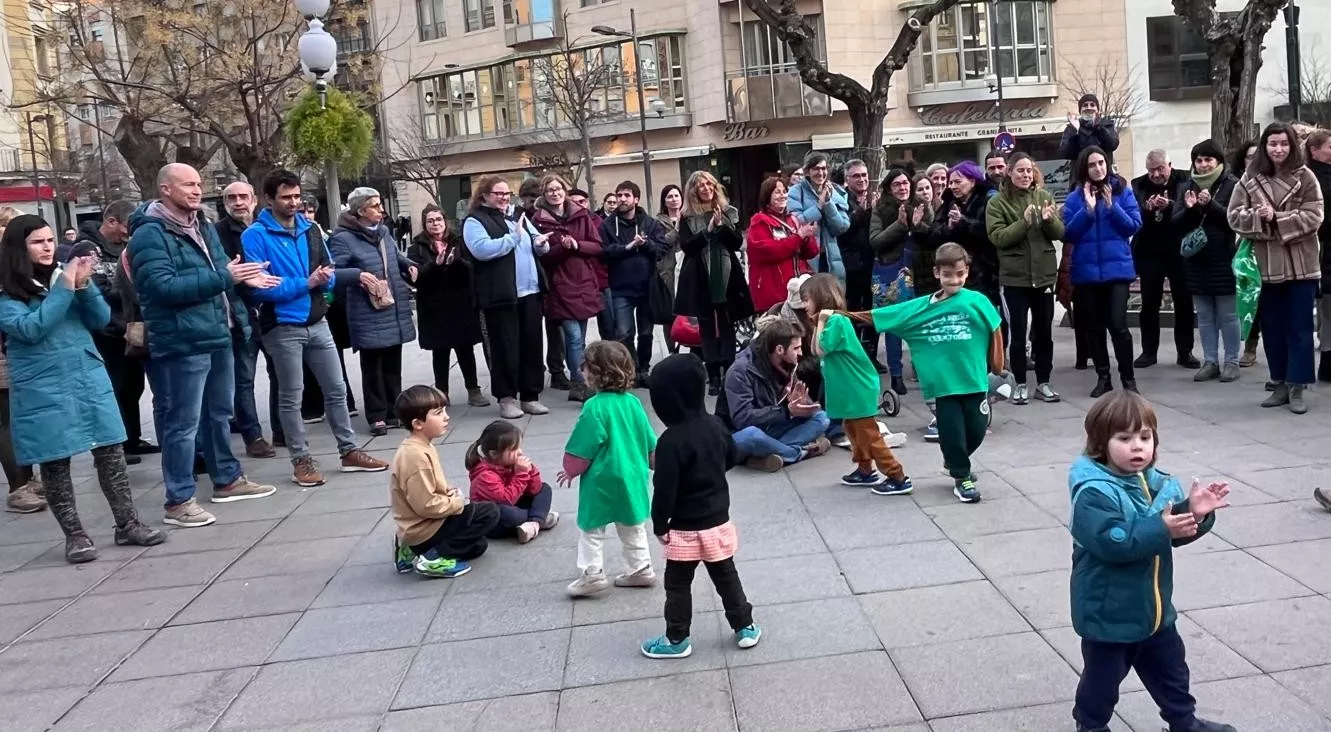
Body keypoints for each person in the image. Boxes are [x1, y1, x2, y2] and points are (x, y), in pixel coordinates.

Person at [0, 215, 165, 561]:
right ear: (18, 248)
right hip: (42, 386)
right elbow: (32, 328)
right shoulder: (7, 292)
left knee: (110, 452)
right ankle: (75, 536)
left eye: (49, 240)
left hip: (86, 376)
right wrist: (64, 287)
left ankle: (128, 524)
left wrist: (84, 285)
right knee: (56, 462)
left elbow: (99, 320)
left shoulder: (66, 278)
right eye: (37, 242)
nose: (47, 247)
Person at [1068, 390, 1234, 733]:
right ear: (1101, 442)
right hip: (1109, 614)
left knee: (1173, 672)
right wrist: (1161, 526)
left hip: (1154, 610)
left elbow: (1174, 535)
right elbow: (1113, 542)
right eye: (1124, 438)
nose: (1137, 447)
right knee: (1102, 682)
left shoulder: (1159, 484)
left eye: (1145, 437)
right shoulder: (1093, 491)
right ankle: (1091, 725)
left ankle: (1183, 722)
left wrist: (1194, 513)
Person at [130, 163, 279, 528]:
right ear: (165, 189)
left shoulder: (203, 225)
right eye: (189, 185)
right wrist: (223, 277)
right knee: (182, 423)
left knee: (218, 414)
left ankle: (226, 479)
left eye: (199, 184)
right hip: (182, 340)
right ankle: (178, 500)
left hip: (217, 332)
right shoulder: (149, 234)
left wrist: (249, 278)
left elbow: (226, 270)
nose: (197, 191)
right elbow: (160, 288)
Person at [242, 170, 389, 486]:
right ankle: (301, 460)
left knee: (336, 389)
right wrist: (307, 282)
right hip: (282, 325)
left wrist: (325, 281)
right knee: (292, 397)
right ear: (269, 199)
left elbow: (330, 270)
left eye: (297, 196)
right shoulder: (255, 235)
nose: (294, 203)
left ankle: (349, 451)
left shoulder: (310, 230)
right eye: (286, 197)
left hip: (317, 320)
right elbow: (260, 288)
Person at [860, 243, 1003, 503]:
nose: (955, 280)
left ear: (967, 271)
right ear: (937, 273)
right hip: (944, 386)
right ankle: (963, 476)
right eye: (948, 275)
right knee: (952, 433)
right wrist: (844, 314)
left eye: (960, 274)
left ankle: (954, 461)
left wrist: (998, 364)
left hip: (975, 380)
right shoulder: (922, 307)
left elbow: (995, 328)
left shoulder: (978, 301)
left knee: (977, 430)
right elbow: (886, 314)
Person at [640, 353, 760, 659]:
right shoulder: (716, 425)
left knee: (678, 585)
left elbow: (664, 490)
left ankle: (677, 638)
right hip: (718, 520)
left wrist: (659, 524)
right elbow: (732, 456)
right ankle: (744, 626)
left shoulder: (670, 441)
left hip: (684, 528)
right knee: (726, 574)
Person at [1227, 121, 1326, 414]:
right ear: (1265, 147)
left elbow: (1314, 216)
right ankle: (1279, 382)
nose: (1278, 149)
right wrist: (1258, 219)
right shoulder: (1249, 177)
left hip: (1301, 267)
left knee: (1300, 328)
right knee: (1272, 328)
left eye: (1284, 143)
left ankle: (1298, 386)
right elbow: (1234, 215)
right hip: (1266, 267)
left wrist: (1275, 218)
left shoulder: (1306, 176)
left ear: (1292, 145)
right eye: (1273, 144)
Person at [558, 340, 657, 597]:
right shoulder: (634, 404)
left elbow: (584, 445)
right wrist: (659, 465)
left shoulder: (594, 407)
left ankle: (592, 572)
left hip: (601, 480)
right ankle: (641, 567)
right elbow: (649, 442)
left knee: (591, 527)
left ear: (595, 373)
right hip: (633, 476)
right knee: (633, 524)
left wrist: (571, 468)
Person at [66, 200, 161, 462]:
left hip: (128, 330)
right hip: (106, 333)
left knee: (133, 387)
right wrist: (131, 292)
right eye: (125, 226)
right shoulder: (86, 249)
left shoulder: (126, 247)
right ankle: (111, 448)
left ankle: (131, 439)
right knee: (112, 390)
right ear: (111, 222)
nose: (128, 233)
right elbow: (95, 291)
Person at [329, 187, 418, 435]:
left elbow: (394, 257)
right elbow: (333, 273)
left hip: (392, 304)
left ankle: (394, 410)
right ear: (360, 211)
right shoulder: (342, 238)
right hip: (366, 309)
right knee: (372, 365)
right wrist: (358, 275)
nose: (381, 209)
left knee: (392, 363)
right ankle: (376, 415)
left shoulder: (384, 232)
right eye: (375, 205)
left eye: (380, 204)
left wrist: (409, 265)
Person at [462, 175, 552, 419]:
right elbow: (481, 250)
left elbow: (534, 241)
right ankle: (507, 398)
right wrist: (513, 238)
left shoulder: (517, 215)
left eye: (506, 193)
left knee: (532, 346)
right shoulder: (474, 220)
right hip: (500, 296)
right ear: (484, 195)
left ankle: (530, 396)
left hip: (530, 293)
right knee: (505, 348)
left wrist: (541, 244)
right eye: (498, 193)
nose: (504, 197)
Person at [390, 384, 501, 578]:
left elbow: (429, 489)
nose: (446, 417)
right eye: (439, 413)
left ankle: (411, 550)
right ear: (418, 423)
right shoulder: (415, 456)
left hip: (427, 522)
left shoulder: (421, 446)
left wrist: (447, 491)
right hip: (424, 527)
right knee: (489, 512)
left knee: (478, 546)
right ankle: (432, 558)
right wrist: (456, 502)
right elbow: (426, 505)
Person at [1063, 146, 1143, 398]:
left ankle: (1128, 379)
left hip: (1116, 271)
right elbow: (1069, 233)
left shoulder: (1122, 191)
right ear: (1083, 169)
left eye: (1101, 163)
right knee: (1094, 328)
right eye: (1092, 165)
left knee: (1119, 326)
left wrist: (1111, 207)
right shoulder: (1075, 197)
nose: (1098, 168)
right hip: (1086, 274)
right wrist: (1087, 210)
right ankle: (1103, 377)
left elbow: (1133, 226)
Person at [986, 151, 1064, 404]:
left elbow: (1060, 233)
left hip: (1043, 277)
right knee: (1018, 334)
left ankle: (1044, 382)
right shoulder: (997, 202)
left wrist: (1050, 220)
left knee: (1044, 333)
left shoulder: (1043, 196)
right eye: (1020, 170)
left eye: (1029, 170)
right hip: (1014, 279)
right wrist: (1024, 221)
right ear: (1009, 172)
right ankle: (1020, 382)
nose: (1026, 175)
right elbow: (998, 237)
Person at [813, 303, 912, 494]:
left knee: (868, 434)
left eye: (807, 299)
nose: (805, 304)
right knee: (852, 428)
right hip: (852, 390)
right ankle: (865, 470)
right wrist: (818, 322)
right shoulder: (831, 321)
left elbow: (820, 349)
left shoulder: (835, 322)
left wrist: (821, 321)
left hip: (857, 389)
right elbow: (814, 346)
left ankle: (897, 476)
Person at [215, 181, 281, 458]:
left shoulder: (269, 228)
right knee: (244, 378)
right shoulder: (217, 233)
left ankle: (282, 429)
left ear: (254, 199)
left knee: (281, 373)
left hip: (275, 310)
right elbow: (221, 273)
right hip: (242, 313)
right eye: (232, 197)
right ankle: (252, 435)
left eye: (243, 196)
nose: (238, 202)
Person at [715, 318, 831, 472]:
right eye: (796, 348)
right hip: (738, 433)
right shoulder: (740, 371)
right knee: (751, 435)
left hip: (771, 428)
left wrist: (804, 405)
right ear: (779, 350)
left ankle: (767, 454)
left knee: (822, 418)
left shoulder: (788, 365)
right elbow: (742, 419)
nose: (800, 353)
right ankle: (800, 452)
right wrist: (787, 412)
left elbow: (798, 407)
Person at [675, 171, 753, 394]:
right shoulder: (687, 217)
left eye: (709, 184)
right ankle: (713, 375)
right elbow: (687, 247)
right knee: (707, 326)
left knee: (728, 324)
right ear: (693, 190)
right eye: (700, 185)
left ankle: (728, 371)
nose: (706, 188)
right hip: (701, 276)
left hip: (727, 275)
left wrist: (722, 226)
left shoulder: (728, 211)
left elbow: (737, 242)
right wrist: (707, 231)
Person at [1170, 140, 1240, 383]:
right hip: (1196, 261)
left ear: (1219, 161)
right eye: (1198, 160)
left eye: (1208, 160)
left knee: (1228, 316)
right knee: (1206, 316)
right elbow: (1175, 222)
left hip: (1223, 258)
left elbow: (1234, 221)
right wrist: (1190, 210)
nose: (1203, 165)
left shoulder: (1232, 185)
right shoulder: (1185, 186)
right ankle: (1210, 361)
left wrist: (1210, 204)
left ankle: (1232, 361)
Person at [407, 205, 488, 407]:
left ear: (445, 221)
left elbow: (472, 269)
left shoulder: (459, 242)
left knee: (465, 349)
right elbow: (416, 278)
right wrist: (435, 263)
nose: (435, 224)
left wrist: (456, 261)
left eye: (439, 220)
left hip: (460, 305)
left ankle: (474, 389)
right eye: (430, 221)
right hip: (434, 307)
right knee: (440, 352)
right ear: (425, 224)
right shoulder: (416, 247)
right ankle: (442, 392)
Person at [532, 174, 603, 402]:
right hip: (559, 284)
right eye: (550, 190)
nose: (555, 193)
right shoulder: (538, 220)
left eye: (558, 188)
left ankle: (577, 382)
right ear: (544, 194)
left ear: (565, 191)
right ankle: (581, 384)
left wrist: (576, 245)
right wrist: (563, 248)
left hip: (583, 280)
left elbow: (596, 247)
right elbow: (542, 256)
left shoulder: (581, 216)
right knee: (573, 338)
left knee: (579, 339)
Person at [1131, 150, 1198, 370]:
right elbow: (1133, 216)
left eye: (1160, 169)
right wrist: (1147, 208)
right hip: (1150, 251)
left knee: (1184, 303)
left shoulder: (1184, 180)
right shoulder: (1138, 185)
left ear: (1169, 164)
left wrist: (1169, 206)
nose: (1156, 174)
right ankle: (1149, 352)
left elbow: (1191, 213)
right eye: (1152, 170)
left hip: (1178, 251)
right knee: (1149, 304)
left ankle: (1185, 351)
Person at [600, 181, 666, 385]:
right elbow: (603, 253)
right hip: (620, 288)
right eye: (619, 195)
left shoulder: (649, 223)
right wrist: (627, 247)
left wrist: (645, 244)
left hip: (647, 287)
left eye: (627, 195)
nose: (622, 199)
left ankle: (644, 369)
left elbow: (661, 249)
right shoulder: (608, 225)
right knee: (624, 333)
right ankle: (630, 370)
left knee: (646, 333)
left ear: (636, 199)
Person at [869, 168, 923, 390]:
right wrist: (900, 225)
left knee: (919, 324)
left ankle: (921, 369)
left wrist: (919, 224)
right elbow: (875, 241)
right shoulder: (880, 209)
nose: (902, 188)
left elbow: (931, 233)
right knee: (894, 326)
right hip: (891, 272)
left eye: (905, 183)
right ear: (889, 188)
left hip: (919, 270)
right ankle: (896, 374)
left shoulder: (920, 204)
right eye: (897, 184)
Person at [465, 420, 559, 543]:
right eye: (514, 449)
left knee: (544, 488)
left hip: (513, 502)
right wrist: (521, 474)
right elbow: (506, 499)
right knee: (512, 514)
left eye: (519, 447)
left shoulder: (508, 463)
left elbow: (534, 490)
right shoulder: (484, 476)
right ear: (494, 454)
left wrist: (529, 471)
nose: (520, 452)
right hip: (494, 521)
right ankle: (537, 518)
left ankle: (533, 523)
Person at [931, 161, 1000, 318]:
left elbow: (991, 231)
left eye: (958, 181)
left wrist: (963, 222)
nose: (953, 186)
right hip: (957, 271)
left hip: (986, 271)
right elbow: (935, 234)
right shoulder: (949, 202)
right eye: (951, 182)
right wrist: (950, 227)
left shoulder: (988, 200)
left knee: (987, 315)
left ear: (972, 181)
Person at [746, 176, 818, 313]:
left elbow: (811, 253)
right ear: (767, 197)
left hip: (798, 290)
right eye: (777, 192)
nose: (783, 195)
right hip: (774, 293)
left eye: (784, 191)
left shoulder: (793, 220)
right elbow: (766, 251)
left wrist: (808, 238)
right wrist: (798, 237)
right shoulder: (759, 221)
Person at [786, 151, 850, 281]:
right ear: (807, 171)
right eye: (816, 168)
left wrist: (828, 204)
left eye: (823, 168)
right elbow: (795, 223)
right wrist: (818, 207)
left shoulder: (836, 191)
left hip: (831, 257)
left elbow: (842, 227)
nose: (821, 173)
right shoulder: (796, 191)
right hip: (807, 258)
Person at [1231, 140, 1263, 367]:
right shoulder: (1240, 183)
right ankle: (1249, 346)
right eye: (1249, 156)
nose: (1253, 160)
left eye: (1257, 156)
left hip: (1269, 248)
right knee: (1249, 295)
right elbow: (1234, 214)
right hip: (1244, 246)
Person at [1306, 129, 1331, 382]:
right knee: (1327, 310)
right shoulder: (1313, 177)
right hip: (1322, 253)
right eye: (1330, 147)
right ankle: (1327, 361)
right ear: (1314, 150)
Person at [656, 184, 684, 355]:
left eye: (676, 196)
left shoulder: (689, 216)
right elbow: (663, 243)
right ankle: (673, 351)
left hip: (687, 267)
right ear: (664, 201)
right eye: (670, 197)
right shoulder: (658, 221)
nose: (674, 200)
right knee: (671, 315)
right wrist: (678, 227)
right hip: (668, 271)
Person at [1060, 93, 1120, 168]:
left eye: (1092, 105)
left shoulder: (1107, 124)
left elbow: (1112, 145)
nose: (1089, 108)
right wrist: (1075, 131)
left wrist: (1099, 127)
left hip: (1103, 174)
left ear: (1097, 109)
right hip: (1080, 176)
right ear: (1080, 110)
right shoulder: (1072, 128)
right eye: (1085, 105)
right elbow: (1065, 153)